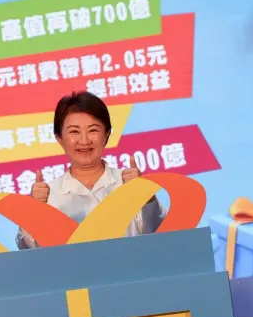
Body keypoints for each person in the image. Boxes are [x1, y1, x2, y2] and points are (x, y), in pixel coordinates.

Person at [17, 91, 165, 249]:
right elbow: (28, 249)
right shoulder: (49, 195)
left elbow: (159, 232)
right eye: (74, 131)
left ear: (106, 134)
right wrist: (34, 211)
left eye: (93, 130)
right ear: (59, 138)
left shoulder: (128, 183)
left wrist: (146, 197)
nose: (84, 140)